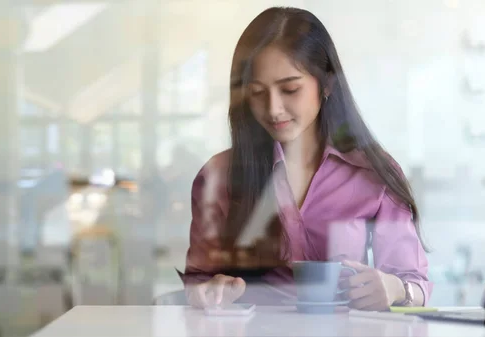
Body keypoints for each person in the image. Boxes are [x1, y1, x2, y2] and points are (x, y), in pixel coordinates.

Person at [181, 7, 431, 311]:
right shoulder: (218, 176)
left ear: (326, 84)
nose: (273, 109)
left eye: (290, 89)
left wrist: (395, 289)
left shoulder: (373, 173)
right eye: (258, 93)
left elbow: (414, 284)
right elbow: (197, 284)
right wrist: (210, 290)